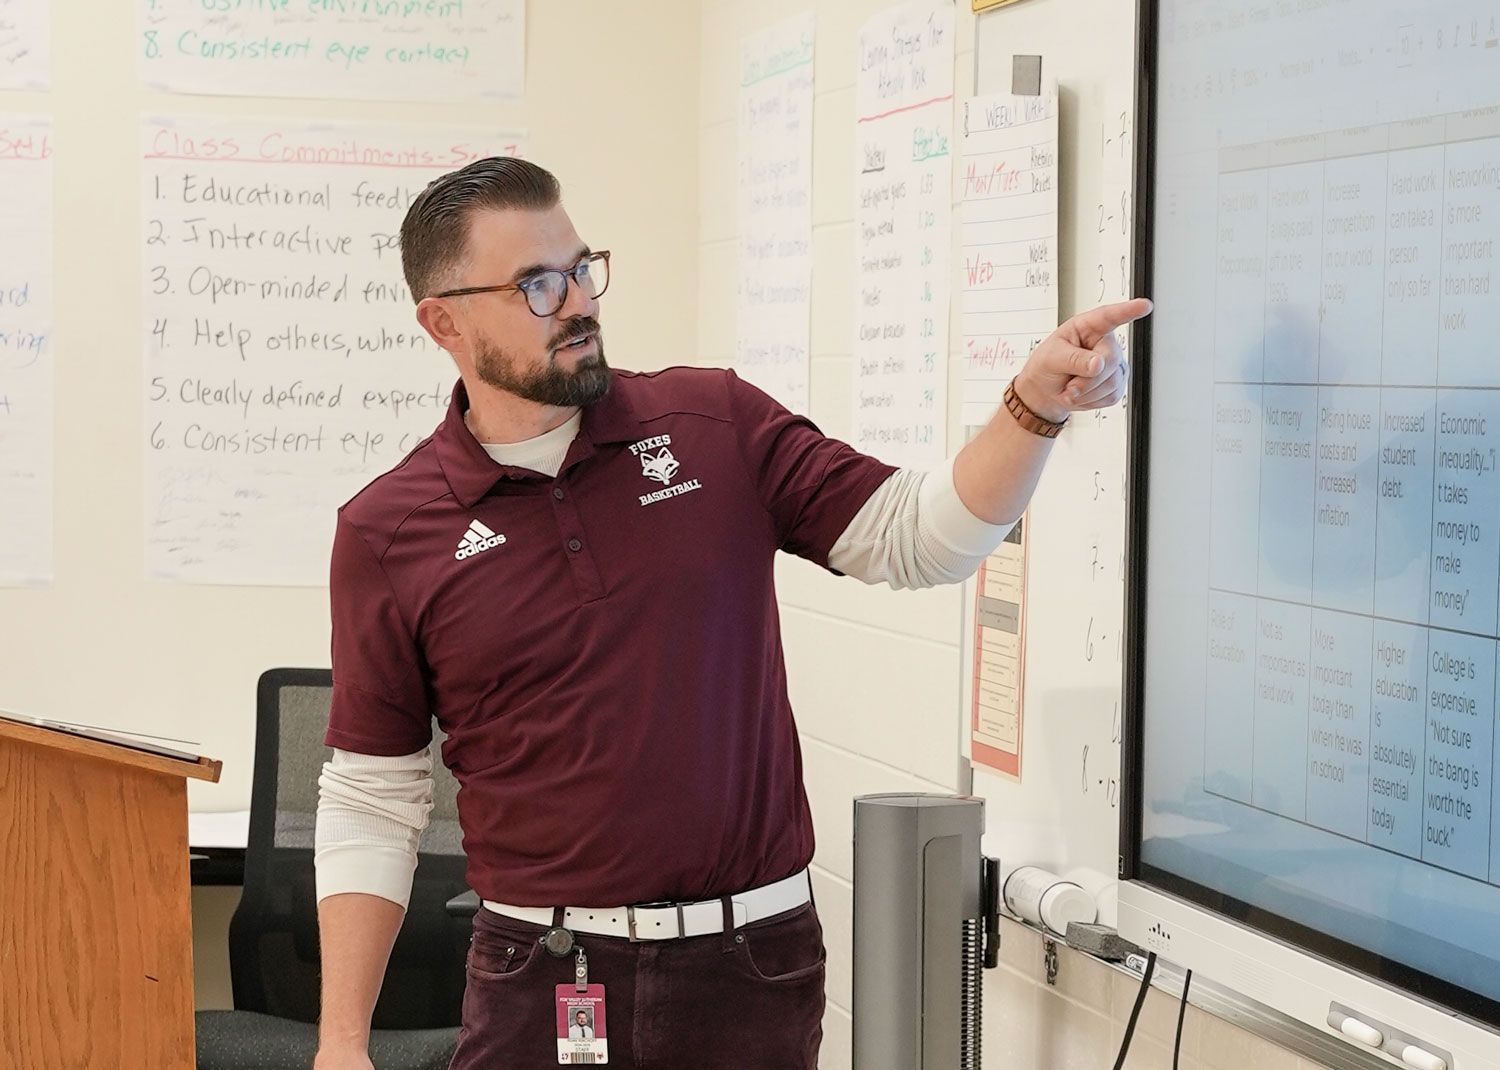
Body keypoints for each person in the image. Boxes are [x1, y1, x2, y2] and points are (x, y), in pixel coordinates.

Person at [313, 156, 1149, 1070]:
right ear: (445, 322)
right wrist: (343, 1043)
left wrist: (1030, 410)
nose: (580, 302)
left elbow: (923, 539)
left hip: (749, 967)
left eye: (582, 267)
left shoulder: (714, 423)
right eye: (537, 286)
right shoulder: (388, 530)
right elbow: (371, 797)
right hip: (541, 975)